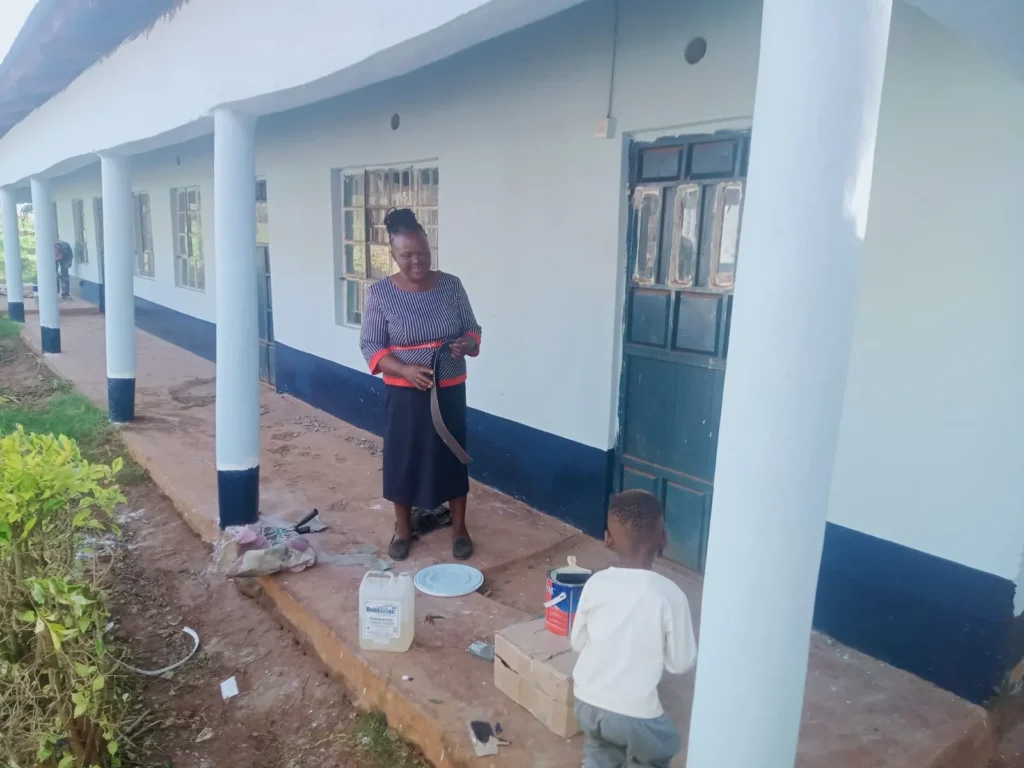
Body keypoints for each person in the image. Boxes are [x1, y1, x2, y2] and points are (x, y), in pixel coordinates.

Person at [359, 208, 481, 561]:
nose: (417, 261)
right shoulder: (381, 293)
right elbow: (370, 345)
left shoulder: (451, 286)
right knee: (404, 457)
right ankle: (403, 528)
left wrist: (465, 344)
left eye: (423, 253)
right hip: (405, 393)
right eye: (407, 255)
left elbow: (473, 330)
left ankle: (459, 529)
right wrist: (404, 370)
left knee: (452, 455)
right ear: (393, 255)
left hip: (449, 389)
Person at [570, 490, 697, 768]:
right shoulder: (670, 595)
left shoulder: (596, 584)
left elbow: (577, 642)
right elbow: (680, 663)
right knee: (660, 747)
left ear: (608, 539)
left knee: (601, 751)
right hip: (636, 716)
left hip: (586, 704)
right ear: (663, 539)